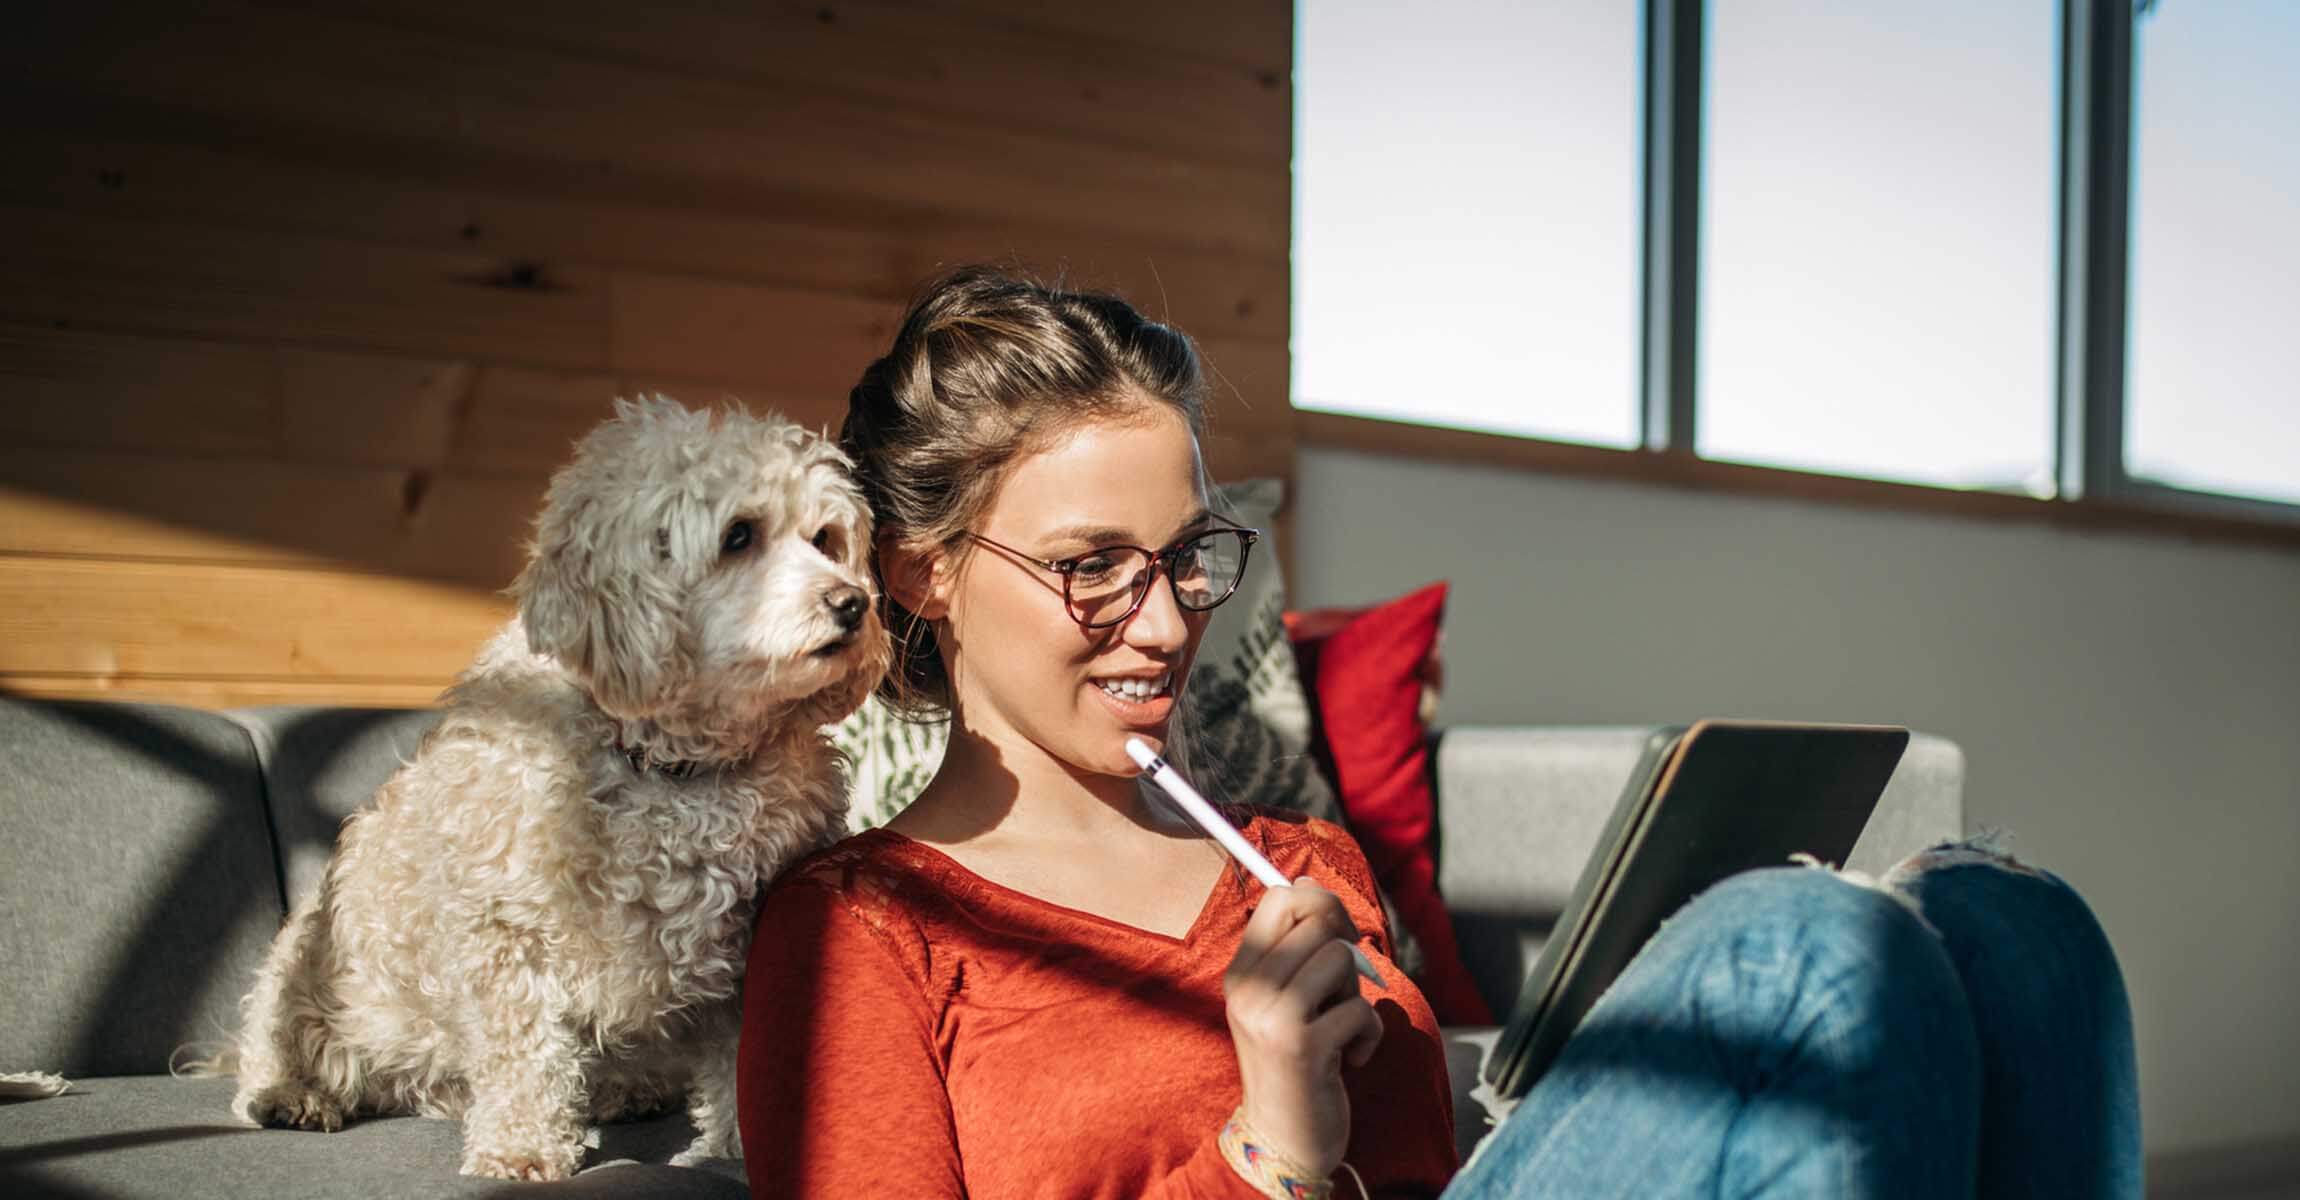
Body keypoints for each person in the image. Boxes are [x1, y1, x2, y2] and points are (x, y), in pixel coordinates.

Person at [735, 268, 2142, 1198]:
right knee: (1809, 946)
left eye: (1183, 558)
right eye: (1091, 564)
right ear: (924, 572)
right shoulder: (860, 934)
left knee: (2012, 925)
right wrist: (1274, 1131)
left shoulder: (1299, 868)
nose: (1163, 625)